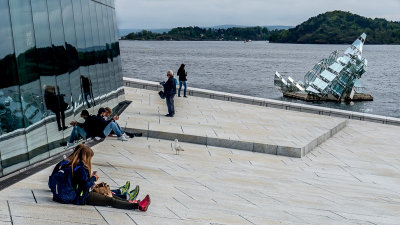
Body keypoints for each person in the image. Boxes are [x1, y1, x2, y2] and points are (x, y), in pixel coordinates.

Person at [67, 144, 151, 211]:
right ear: (85, 156)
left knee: (110, 195)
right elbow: (84, 186)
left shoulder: (71, 164)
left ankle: (134, 202)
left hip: (80, 193)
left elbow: (80, 183)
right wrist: (93, 178)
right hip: (82, 197)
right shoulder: (81, 168)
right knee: (109, 200)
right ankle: (138, 205)